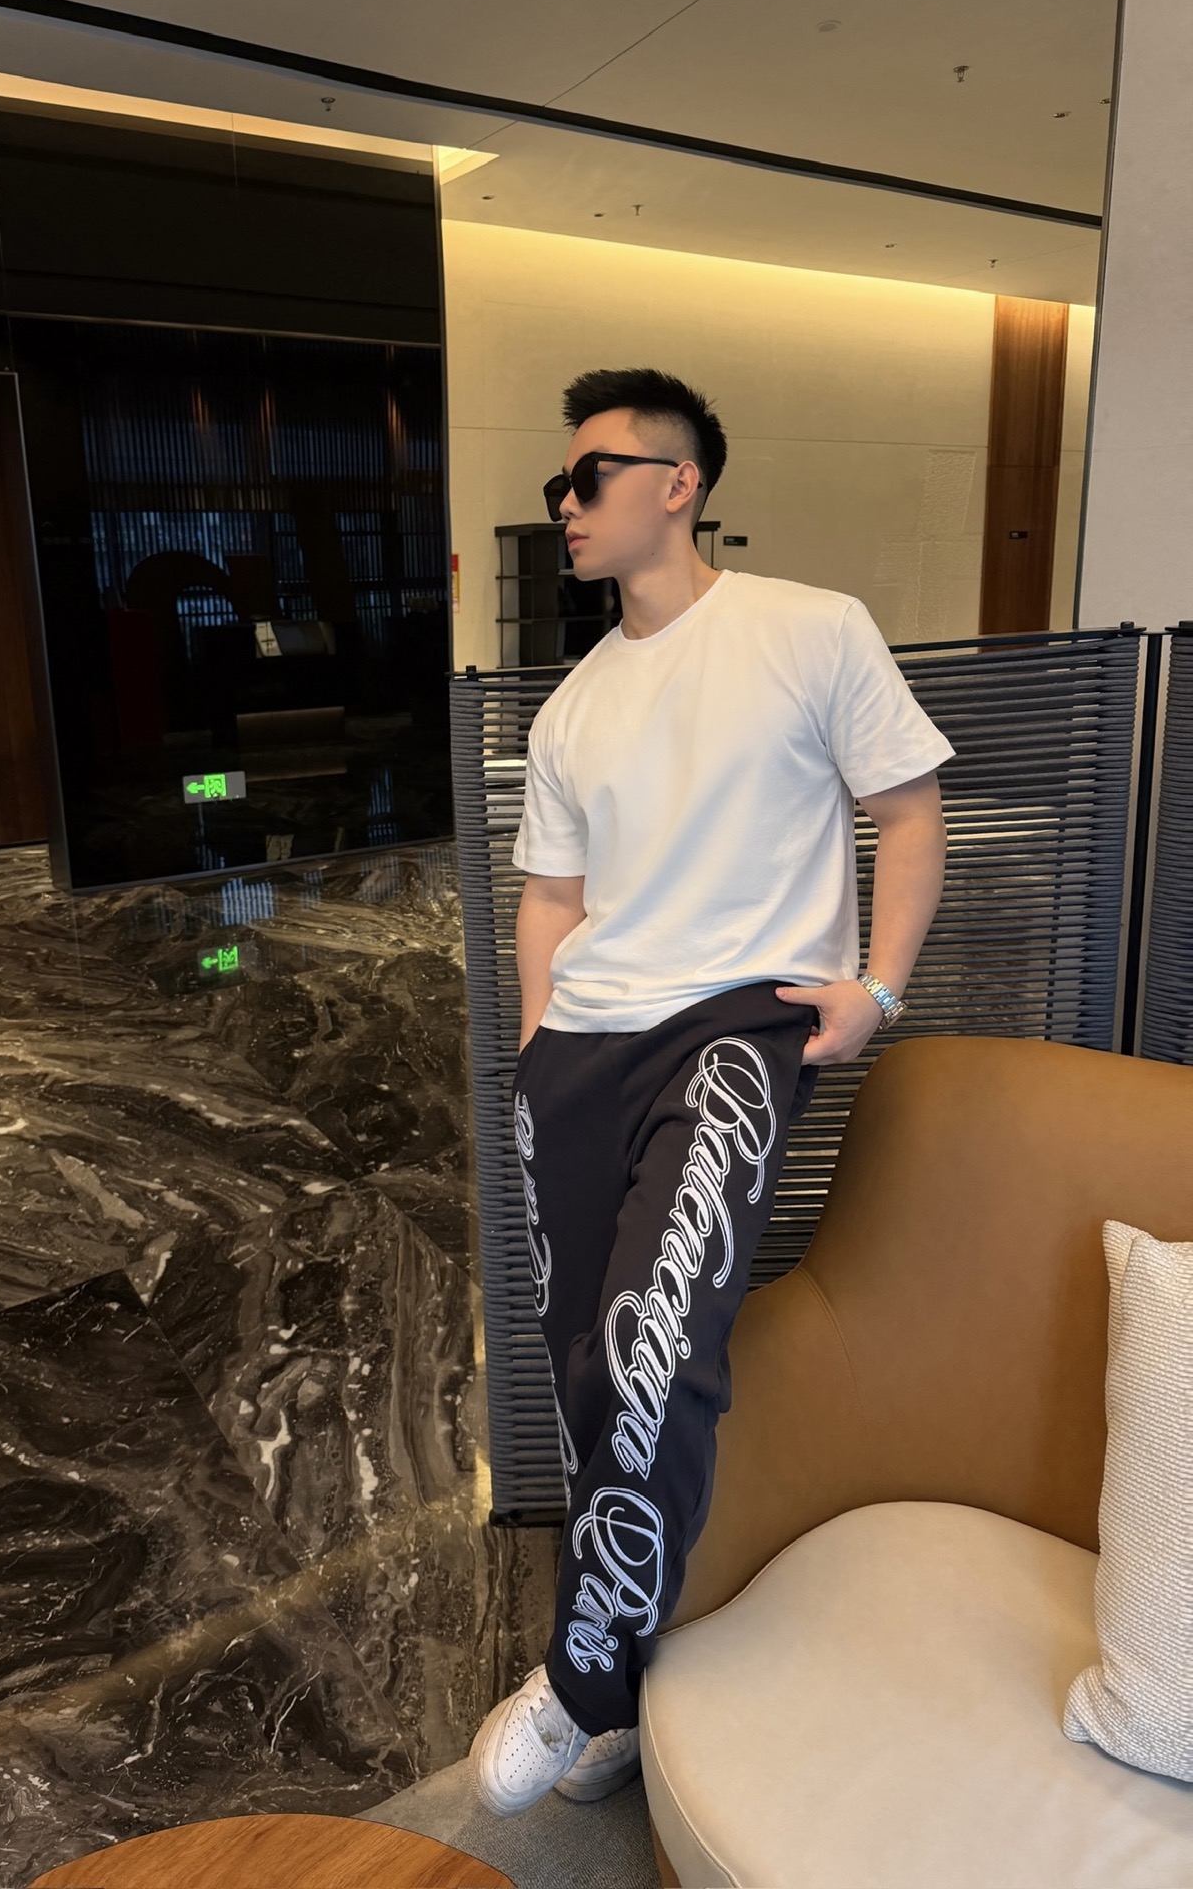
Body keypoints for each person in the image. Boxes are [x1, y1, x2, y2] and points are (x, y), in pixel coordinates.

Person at [469, 366, 955, 1815]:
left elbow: (908, 810)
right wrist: (538, 1041)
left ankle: (582, 1685)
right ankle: (620, 1681)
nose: (565, 504)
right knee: (579, 1364)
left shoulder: (810, 629)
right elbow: (551, 896)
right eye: (560, 483)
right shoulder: (572, 706)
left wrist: (877, 989)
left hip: (735, 1030)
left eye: (590, 477)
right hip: (580, 1055)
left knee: (648, 1351)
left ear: (678, 485)